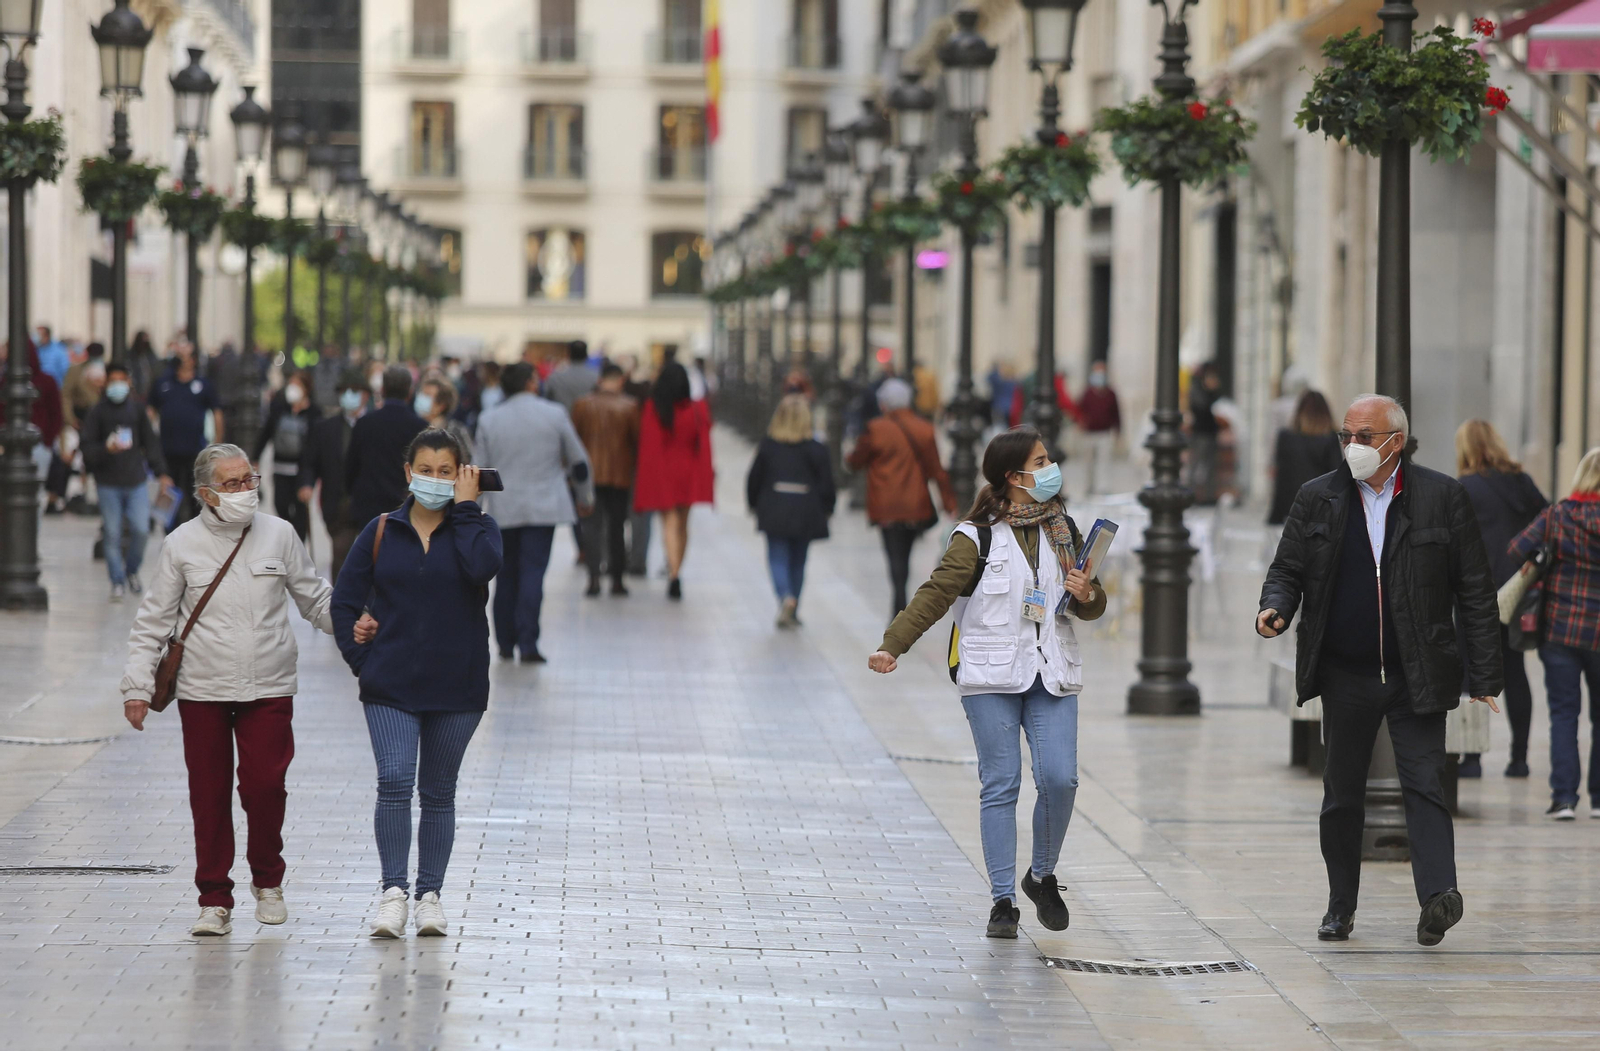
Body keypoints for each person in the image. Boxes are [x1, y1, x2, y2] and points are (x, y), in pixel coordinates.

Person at [1258, 394, 1502, 946]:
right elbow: (1288, 569)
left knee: (1426, 785)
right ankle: (1340, 906)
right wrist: (1275, 608)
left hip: (1418, 671)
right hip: (1345, 673)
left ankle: (1439, 897)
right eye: (1346, 435)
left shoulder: (1442, 497)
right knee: (1342, 795)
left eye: (1364, 437)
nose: (1352, 446)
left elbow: (1475, 590)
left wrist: (1485, 675)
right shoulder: (1317, 497)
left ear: (1395, 441)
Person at [866, 427, 1105, 938]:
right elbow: (936, 592)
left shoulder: (1063, 530)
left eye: (1048, 459)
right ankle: (1002, 901)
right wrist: (893, 644)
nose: (1051, 469)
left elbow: (1090, 603)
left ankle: (1041, 875)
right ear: (1013, 476)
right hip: (990, 673)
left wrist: (1087, 594)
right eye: (1040, 462)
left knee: (1060, 779)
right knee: (1002, 783)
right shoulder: (974, 536)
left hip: (1051, 668)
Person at [119, 443, 342, 936]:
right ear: (206, 493)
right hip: (203, 687)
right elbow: (153, 621)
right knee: (209, 795)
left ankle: (268, 881)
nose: (246, 490)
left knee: (265, 787)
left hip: (269, 684)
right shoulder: (181, 544)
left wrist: (356, 623)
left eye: (249, 479)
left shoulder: (280, 534)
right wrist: (137, 686)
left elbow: (315, 600)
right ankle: (214, 898)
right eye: (233, 483)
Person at [332, 430, 502, 938]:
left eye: (446, 471)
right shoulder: (382, 529)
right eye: (425, 470)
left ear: (463, 475)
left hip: (458, 687)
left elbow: (482, 568)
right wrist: (363, 661)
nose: (434, 479)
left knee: (438, 792)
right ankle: (393, 893)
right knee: (394, 780)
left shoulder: (480, 529)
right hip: (390, 686)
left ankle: (430, 896)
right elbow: (344, 602)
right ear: (408, 473)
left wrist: (466, 509)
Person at [476, 363, 594, 661]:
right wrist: (585, 496)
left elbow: (479, 472)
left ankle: (504, 642)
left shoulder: (489, 419)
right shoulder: (555, 414)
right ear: (530, 382)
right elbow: (578, 460)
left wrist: (472, 512)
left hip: (504, 510)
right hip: (544, 508)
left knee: (505, 576)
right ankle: (528, 642)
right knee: (533, 574)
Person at [1510, 448, 1600, 820]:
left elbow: (1516, 549)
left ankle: (1564, 798)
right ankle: (1599, 799)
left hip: (1560, 630)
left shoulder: (1558, 515)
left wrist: (1545, 556)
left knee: (1564, 713)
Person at [1456, 420, 1547, 779]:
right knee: (1514, 670)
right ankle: (1519, 759)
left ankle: (1471, 759)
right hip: (1515, 592)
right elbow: (1548, 518)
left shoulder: (1465, 487)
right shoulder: (1521, 481)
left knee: (1471, 671)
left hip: (1475, 592)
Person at [848, 378, 958, 618]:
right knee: (905, 553)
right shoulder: (924, 428)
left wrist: (853, 457)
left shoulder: (875, 429)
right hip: (915, 505)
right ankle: (900, 597)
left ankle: (898, 600)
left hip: (886, 505)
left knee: (893, 553)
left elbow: (856, 461)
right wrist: (949, 502)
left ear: (884, 404)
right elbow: (936, 470)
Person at [79, 363, 173, 600]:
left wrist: (161, 472)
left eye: (121, 380)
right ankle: (117, 580)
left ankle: (131, 570)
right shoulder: (97, 413)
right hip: (107, 483)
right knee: (112, 534)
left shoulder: (137, 411)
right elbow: (87, 449)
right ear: (106, 383)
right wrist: (106, 449)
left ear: (129, 382)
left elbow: (150, 443)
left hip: (135, 480)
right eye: (113, 381)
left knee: (141, 530)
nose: (117, 386)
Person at [747, 395, 835, 627]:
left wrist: (753, 503)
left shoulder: (768, 446)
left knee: (777, 557)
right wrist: (828, 508)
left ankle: (785, 597)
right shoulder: (816, 449)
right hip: (806, 510)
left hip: (774, 508)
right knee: (798, 560)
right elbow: (827, 483)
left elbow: (754, 478)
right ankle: (794, 605)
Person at [631, 361, 713, 600]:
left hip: (664, 472)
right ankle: (677, 570)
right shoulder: (697, 409)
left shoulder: (654, 408)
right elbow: (703, 444)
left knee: (668, 523)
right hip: (688, 472)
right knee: (683, 525)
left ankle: (673, 571)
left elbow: (649, 446)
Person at [570, 363, 640, 597]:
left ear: (600, 380)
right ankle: (617, 579)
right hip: (620, 477)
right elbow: (637, 442)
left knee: (591, 527)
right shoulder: (630, 406)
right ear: (621, 380)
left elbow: (574, 442)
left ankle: (593, 578)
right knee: (617, 528)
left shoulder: (582, 405)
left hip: (589, 478)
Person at [300, 371, 368, 581]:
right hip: (337, 505)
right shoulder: (325, 428)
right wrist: (307, 484)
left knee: (369, 558)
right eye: (344, 391)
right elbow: (309, 462)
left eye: (354, 391)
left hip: (369, 504)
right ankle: (342, 597)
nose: (348, 395)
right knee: (341, 555)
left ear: (366, 394)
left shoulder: (376, 426)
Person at [148, 342, 223, 527]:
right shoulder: (163, 383)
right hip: (167, 450)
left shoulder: (204, 384)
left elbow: (217, 413)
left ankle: (195, 530)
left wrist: (217, 443)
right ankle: (169, 532)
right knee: (168, 494)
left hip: (195, 451)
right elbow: (150, 412)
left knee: (195, 496)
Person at [345, 366, 428, 532]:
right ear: (410, 392)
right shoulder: (420, 427)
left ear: (382, 390)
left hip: (368, 507)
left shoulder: (364, 423)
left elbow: (350, 467)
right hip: (406, 508)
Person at [252, 371, 316, 543]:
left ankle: (298, 544)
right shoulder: (279, 409)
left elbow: (315, 444)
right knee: (280, 504)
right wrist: (256, 457)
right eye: (291, 384)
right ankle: (289, 535)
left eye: (298, 384)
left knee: (300, 511)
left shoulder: (314, 413)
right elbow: (266, 433)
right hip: (280, 468)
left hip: (301, 471)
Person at [1267, 391, 1342, 526]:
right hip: (1320, 508)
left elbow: (1282, 479)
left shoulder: (1286, 437)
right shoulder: (1330, 439)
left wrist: (1275, 515)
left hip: (1293, 507)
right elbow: (1336, 477)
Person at [1077, 362, 1121, 495]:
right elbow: (1079, 410)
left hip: (1104, 433)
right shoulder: (1087, 393)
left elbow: (1116, 413)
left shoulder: (1111, 393)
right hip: (1089, 434)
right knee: (1088, 462)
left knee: (1104, 461)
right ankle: (1089, 486)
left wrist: (1118, 430)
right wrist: (1080, 423)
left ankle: (1103, 487)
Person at [416, 372, 474, 459]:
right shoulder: (413, 428)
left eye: (427, 396)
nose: (422, 399)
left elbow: (468, 459)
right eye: (421, 394)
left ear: (441, 405)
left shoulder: (456, 431)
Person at [1187, 362, 1223, 505]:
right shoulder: (1197, 389)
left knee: (1210, 466)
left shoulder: (1208, 391)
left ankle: (1208, 496)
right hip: (1200, 433)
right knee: (1196, 465)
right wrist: (1210, 391)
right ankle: (1191, 495)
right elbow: (1201, 408)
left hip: (1210, 432)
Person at [542, 340, 597, 412]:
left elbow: (546, 400)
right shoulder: (596, 377)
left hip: (562, 416)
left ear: (568, 354)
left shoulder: (555, 377)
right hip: (586, 417)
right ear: (586, 355)